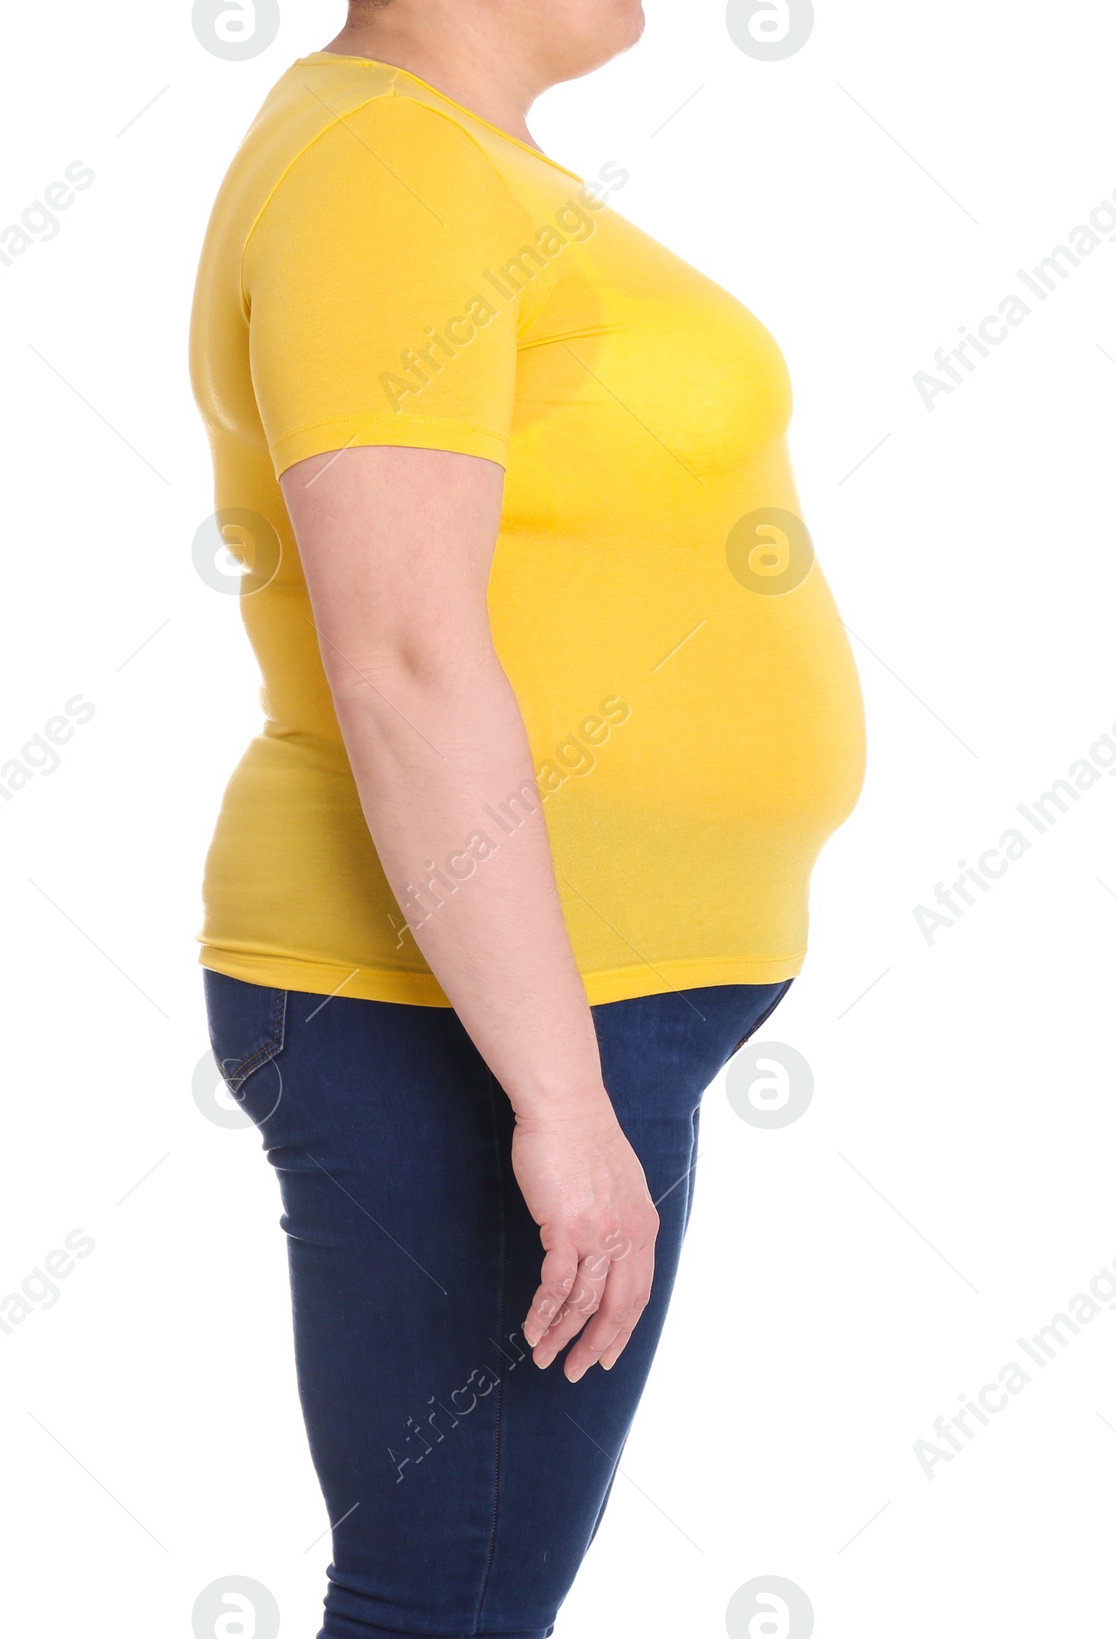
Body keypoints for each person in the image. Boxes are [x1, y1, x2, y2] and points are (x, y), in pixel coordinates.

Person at [189, 1, 865, 1632]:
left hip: (558, 1007)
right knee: (450, 1610)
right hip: (473, 1016)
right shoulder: (383, 164)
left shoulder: (461, 169)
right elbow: (404, 658)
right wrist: (557, 1102)